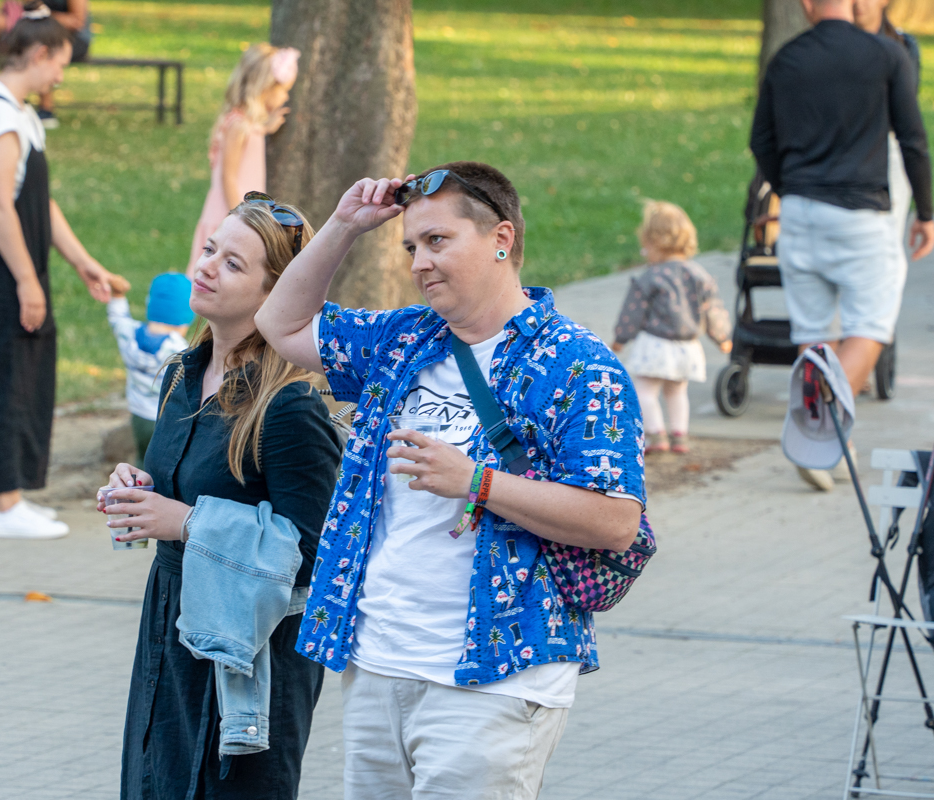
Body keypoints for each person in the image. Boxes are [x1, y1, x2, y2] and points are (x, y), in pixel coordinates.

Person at [256, 162, 646, 800]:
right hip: (377, 659)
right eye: (411, 246)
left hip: (498, 676)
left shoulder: (578, 364)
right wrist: (345, 225)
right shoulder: (404, 338)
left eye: (437, 241)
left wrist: (477, 483)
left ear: (501, 239)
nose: (420, 263)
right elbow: (282, 325)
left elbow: (616, 521)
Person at [101, 195, 340, 797]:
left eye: (233, 264)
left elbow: (316, 554)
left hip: (251, 656)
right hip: (170, 629)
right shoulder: (181, 374)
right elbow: (184, 488)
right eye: (210, 249)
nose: (205, 266)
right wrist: (137, 487)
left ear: (275, 292)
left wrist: (187, 523)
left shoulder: (290, 407)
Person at [0, 2, 126, 539]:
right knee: (4, 378)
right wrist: (27, 281)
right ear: (38, 54)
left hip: (22, 270)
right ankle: (3, 504)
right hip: (0, 275)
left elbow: (38, 202)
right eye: (60, 65)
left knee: (27, 374)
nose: (60, 76)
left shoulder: (21, 116)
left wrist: (82, 262)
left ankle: (16, 496)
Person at [751, 0, 934, 492]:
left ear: (807, 4)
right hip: (861, 213)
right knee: (871, 326)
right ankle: (816, 424)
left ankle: (826, 440)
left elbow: (760, 140)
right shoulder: (887, 56)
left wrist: (790, 189)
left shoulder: (786, 58)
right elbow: (912, 139)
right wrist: (926, 212)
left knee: (814, 330)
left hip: (800, 213)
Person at [613, 201, 732, 455]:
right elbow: (712, 308)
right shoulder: (699, 274)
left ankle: (656, 434)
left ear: (654, 242)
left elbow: (633, 311)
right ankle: (679, 436)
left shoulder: (651, 276)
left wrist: (621, 338)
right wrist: (722, 336)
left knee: (644, 391)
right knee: (677, 392)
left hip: (655, 345)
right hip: (687, 347)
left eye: (646, 247)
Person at [185, 43, 299, 279]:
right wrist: (240, 218)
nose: (286, 97)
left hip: (238, 211)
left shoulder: (247, 125)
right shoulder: (238, 125)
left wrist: (265, 128)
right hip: (228, 211)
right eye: (283, 90)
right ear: (264, 87)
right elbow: (228, 176)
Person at [854, 0, 923, 265]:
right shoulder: (831, 44)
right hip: (844, 149)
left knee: (885, 244)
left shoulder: (903, 45)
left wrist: (925, 211)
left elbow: (905, 119)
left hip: (887, 147)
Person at [106, 272, 192, 468]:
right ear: (185, 317)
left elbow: (117, 318)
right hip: (166, 419)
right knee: (167, 464)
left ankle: (136, 483)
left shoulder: (128, 334)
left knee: (143, 458)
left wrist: (117, 295)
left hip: (138, 415)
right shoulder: (179, 350)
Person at [33, 0, 90, 128]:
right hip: (42, 35)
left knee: (43, 45)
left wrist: (42, 17)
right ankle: (17, 98)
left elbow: (77, 22)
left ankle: (46, 109)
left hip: (74, 38)